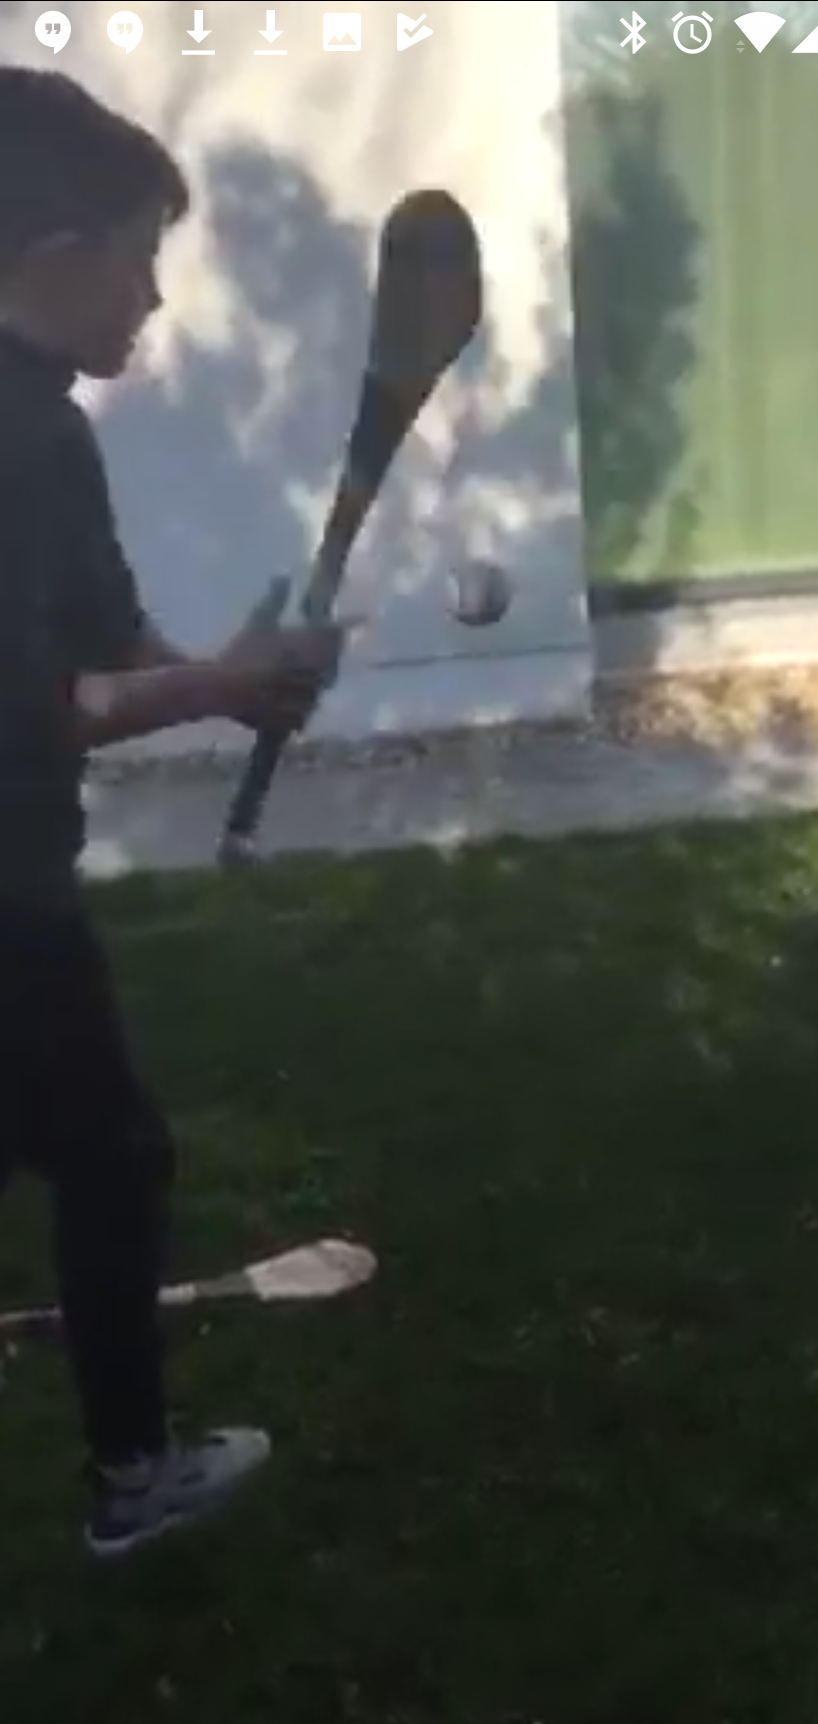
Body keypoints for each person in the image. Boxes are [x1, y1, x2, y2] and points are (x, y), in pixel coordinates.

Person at [0, 65, 344, 1556]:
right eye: (141, 257)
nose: (153, 294)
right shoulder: (17, 438)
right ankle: (134, 1482)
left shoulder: (48, 426)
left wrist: (230, 678)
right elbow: (38, 706)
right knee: (113, 1156)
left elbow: (104, 641)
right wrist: (219, 687)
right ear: (56, 256)